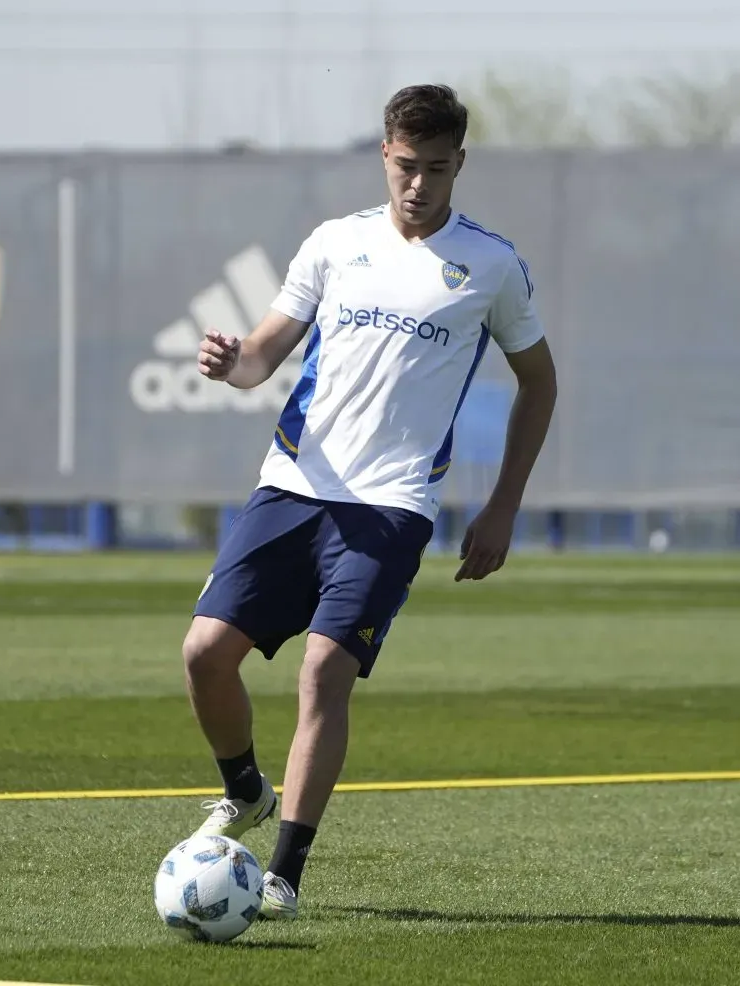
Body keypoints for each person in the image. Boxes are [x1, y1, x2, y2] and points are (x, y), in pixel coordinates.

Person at [183, 84, 557, 921]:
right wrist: (229, 361)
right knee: (205, 652)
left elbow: (538, 382)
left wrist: (501, 506)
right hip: (291, 485)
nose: (417, 184)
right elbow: (261, 357)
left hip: (391, 507)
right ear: (383, 157)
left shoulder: (490, 265)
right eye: (403, 166)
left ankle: (283, 871)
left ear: (458, 163)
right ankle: (243, 788)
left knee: (325, 670)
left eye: (434, 168)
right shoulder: (333, 243)